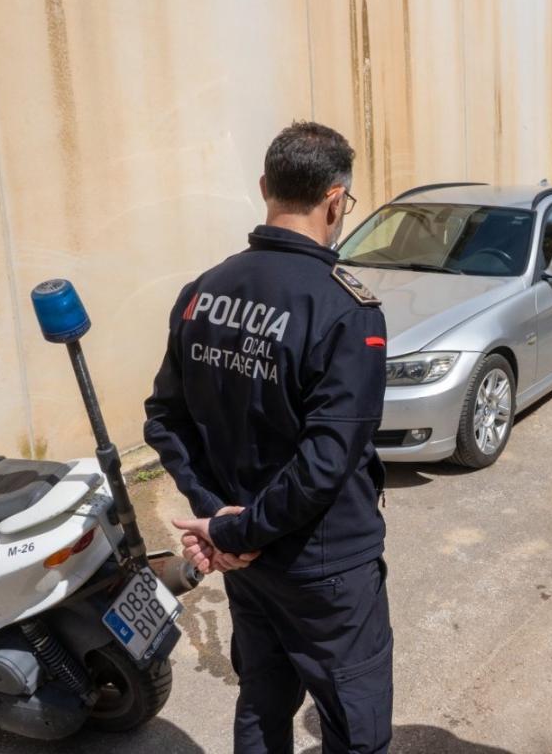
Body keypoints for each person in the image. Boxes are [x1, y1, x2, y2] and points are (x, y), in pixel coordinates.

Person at [144, 121, 392, 754]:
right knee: (354, 727)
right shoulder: (346, 309)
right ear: (336, 200)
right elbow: (325, 464)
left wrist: (217, 517)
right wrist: (229, 530)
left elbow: (164, 420)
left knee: (263, 700)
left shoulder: (205, 291)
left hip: (247, 560)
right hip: (321, 564)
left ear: (265, 188)